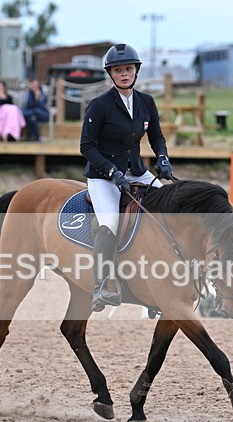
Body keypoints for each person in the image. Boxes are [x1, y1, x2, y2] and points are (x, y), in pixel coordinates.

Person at [79, 43, 174, 312]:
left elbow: (156, 136)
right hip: (103, 177)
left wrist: (163, 158)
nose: (124, 74)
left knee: (167, 205)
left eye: (128, 69)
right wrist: (112, 172)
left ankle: (160, 284)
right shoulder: (99, 105)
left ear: (136, 71)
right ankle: (100, 287)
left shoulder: (146, 102)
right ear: (111, 74)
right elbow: (86, 147)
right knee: (109, 222)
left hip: (137, 171)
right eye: (118, 70)